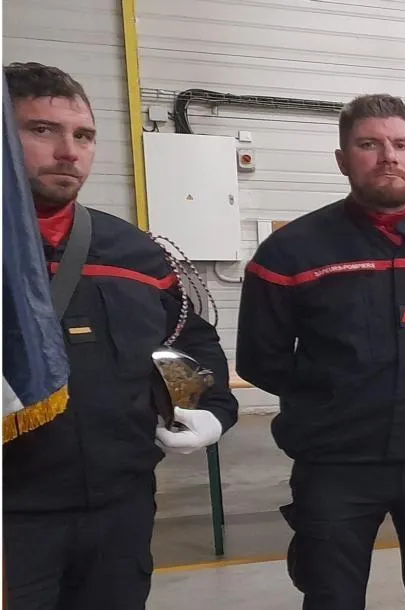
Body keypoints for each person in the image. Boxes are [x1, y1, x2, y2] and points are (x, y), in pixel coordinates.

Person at [236, 93, 405, 609]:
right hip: (336, 464)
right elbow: (260, 358)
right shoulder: (290, 252)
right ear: (343, 160)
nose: (388, 157)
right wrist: (336, 397)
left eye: (402, 145)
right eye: (369, 145)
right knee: (331, 597)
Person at [2, 62, 238, 609]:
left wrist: (210, 409)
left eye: (83, 135)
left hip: (120, 509)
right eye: (42, 130)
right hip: (13, 518)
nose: (69, 152)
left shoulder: (137, 252)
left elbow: (187, 340)